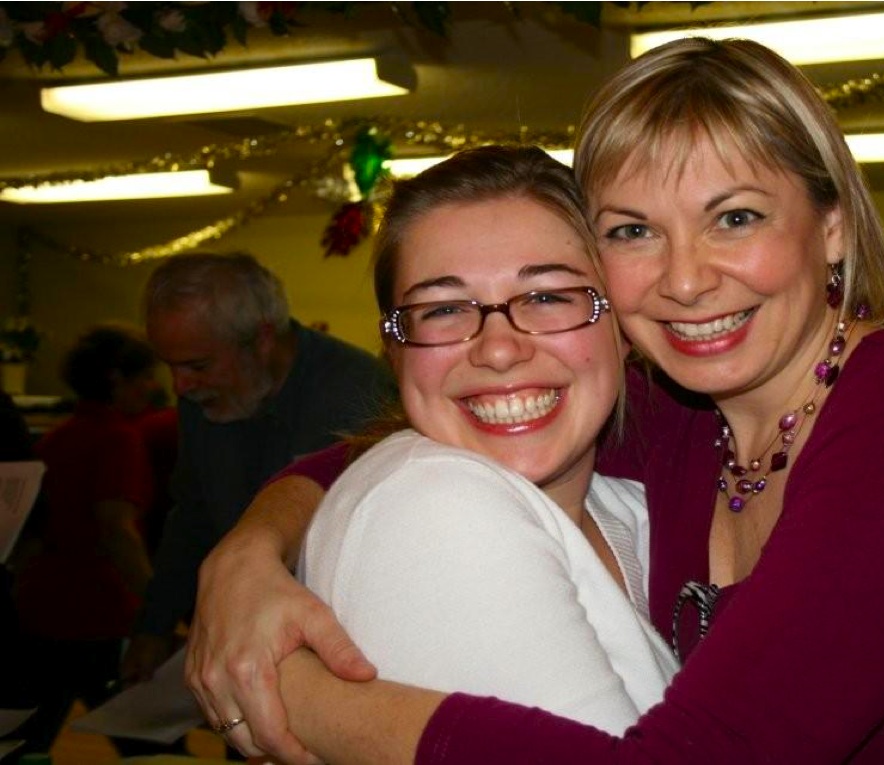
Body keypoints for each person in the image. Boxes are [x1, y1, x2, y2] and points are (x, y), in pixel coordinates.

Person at [187, 38, 884, 764]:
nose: (686, 280)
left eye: (734, 217)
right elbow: (395, 440)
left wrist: (308, 702)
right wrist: (245, 554)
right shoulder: (684, 421)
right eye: (633, 232)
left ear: (830, 227)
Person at [294, 145, 674, 737]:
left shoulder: (632, 511)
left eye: (548, 297)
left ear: (623, 328)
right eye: (443, 309)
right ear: (396, 351)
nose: (498, 349)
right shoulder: (436, 506)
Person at [122, 251, 395, 687]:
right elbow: (192, 515)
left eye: (197, 365)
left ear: (263, 339)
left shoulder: (358, 394)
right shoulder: (204, 397)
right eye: (170, 366)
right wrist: (153, 625)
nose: (180, 386)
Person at [9, 324, 162, 755]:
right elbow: (118, 531)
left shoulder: (56, 438)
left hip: (40, 609)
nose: (153, 388)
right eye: (146, 376)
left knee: (27, 740)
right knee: (144, 739)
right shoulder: (117, 439)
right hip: (95, 612)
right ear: (117, 379)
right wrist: (157, 610)